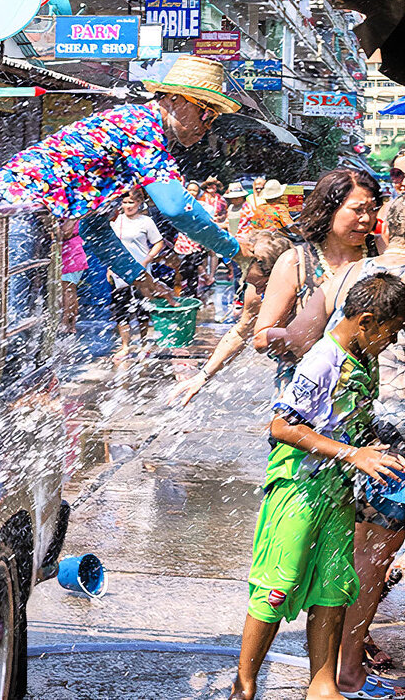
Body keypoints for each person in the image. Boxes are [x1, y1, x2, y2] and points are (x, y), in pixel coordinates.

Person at [230, 272, 405, 700]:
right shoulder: (322, 359)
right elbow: (283, 426)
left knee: (332, 586)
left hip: (336, 492)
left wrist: (376, 445)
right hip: (299, 490)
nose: (393, 341)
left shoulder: (361, 358)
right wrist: (354, 455)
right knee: (278, 582)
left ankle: (323, 685)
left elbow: (349, 425)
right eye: (391, 331)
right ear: (365, 321)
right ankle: (245, 685)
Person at [272, 196, 405, 697]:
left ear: (386, 231)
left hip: (366, 430)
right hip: (395, 436)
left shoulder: (352, 277)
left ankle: (347, 666)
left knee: (369, 552)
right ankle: (344, 670)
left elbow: (300, 338)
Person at [0, 55, 243, 304]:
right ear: (175, 99)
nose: (207, 126)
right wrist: (235, 250)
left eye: (214, 119)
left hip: (18, 217)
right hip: (8, 214)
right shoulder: (141, 128)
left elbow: (93, 229)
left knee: (13, 322)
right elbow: (177, 208)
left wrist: (140, 279)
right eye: (206, 113)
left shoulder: (138, 138)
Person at [255, 168, 384, 390]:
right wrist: (306, 337)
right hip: (307, 388)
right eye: (357, 210)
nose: (367, 219)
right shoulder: (296, 262)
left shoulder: (382, 251)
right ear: (328, 210)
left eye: (372, 210)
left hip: (368, 386)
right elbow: (260, 337)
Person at [167, 230, 293, 406]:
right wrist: (202, 376)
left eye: (245, 267)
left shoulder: (305, 286)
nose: (242, 275)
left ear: (270, 270)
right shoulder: (255, 291)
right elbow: (241, 333)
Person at [109, 190, 163, 358]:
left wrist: (146, 260)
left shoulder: (145, 222)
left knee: (142, 308)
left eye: (131, 203)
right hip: (120, 272)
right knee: (121, 309)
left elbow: (158, 243)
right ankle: (125, 346)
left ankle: (144, 342)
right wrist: (110, 267)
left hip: (141, 271)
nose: (127, 206)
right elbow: (111, 247)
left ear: (139, 203)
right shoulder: (116, 221)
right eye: (125, 202)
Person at [60, 220, 88, 335]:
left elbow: (66, 232)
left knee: (68, 291)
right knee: (70, 291)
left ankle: (66, 323)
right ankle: (71, 324)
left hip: (71, 255)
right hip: (71, 254)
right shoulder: (71, 212)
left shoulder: (71, 214)